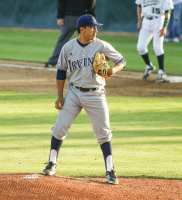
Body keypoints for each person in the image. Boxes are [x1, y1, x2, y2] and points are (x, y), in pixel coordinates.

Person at [42, 14, 126, 185]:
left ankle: (110, 171)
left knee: (103, 133)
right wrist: (60, 96)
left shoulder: (101, 45)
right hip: (73, 92)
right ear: (82, 29)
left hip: (96, 93)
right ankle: (52, 163)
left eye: (96, 27)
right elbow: (60, 73)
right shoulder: (68, 47)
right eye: (92, 27)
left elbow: (121, 60)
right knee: (59, 128)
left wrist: (113, 71)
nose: (96, 30)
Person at [45, 0, 96, 68]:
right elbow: (91, 4)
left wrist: (60, 16)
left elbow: (61, 3)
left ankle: (52, 62)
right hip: (82, 16)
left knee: (63, 40)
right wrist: (91, 16)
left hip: (70, 17)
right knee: (87, 40)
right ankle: (92, 63)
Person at [136, 0, 174, 83]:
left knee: (157, 46)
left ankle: (161, 72)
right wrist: (139, 20)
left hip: (158, 21)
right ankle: (149, 66)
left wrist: (164, 27)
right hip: (146, 21)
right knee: (140, 47)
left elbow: (168, 11)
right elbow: (139, 6)